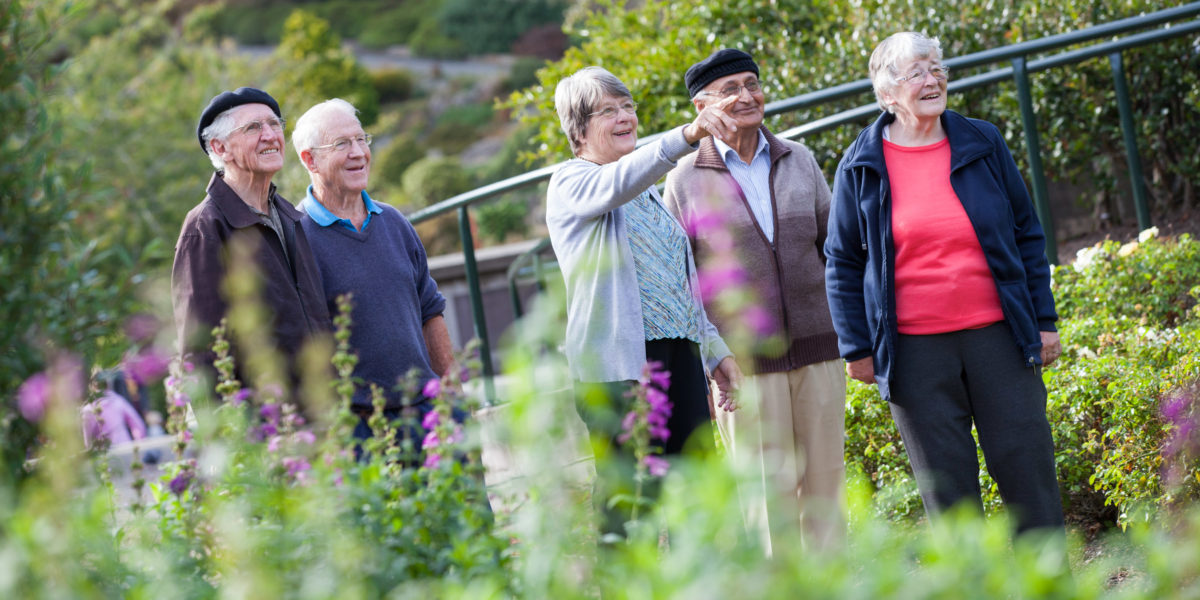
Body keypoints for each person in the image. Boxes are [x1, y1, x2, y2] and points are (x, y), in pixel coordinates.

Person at [823, 32, 1064, 534]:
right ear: (887, 93)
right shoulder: (860, 164)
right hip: (914, 353)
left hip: (999, 336)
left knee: (1029, 473)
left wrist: (1043, 320)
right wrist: (856, 348)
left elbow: (1026, 231)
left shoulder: (982, 141)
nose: (932, 80)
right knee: (948, 493)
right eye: (915, 73)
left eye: (937, 68)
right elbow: (842, 260)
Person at [547, 66, 744, 536]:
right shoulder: (572, 182)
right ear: (578, 129)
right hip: (619, 370)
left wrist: (716, 352)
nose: (626, 118)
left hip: (679, 357)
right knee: (631, 507)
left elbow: (676, 283)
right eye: (609, 110)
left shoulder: (647, 194)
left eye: (629, 107)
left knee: (694, 497)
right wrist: (686, 135)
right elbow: (616, 183)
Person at [663, 48, 846, 553]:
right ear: (702, 108)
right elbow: (681, 285)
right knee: (768, 505)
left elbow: (835, 250)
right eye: (730, 90)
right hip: (742, 370)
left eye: (752, 83)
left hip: (819, 353)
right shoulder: (683, 182)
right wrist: (710, 358)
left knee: (828, 493)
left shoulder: (800, 159)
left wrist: (850, 331)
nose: (747, 96)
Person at [292, 98, 456, 450]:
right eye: (341, 144)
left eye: (361, 140)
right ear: (309, 159)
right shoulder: (296, 239)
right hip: (362, 430)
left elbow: (431, 311)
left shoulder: (394, 221)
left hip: (429, 415)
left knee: (468, 505)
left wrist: (453, 400)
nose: (358, 153)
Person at [173, 87, 332, 397]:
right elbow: (201, 351)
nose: (271, 135)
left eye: (275, 124)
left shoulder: (289, 216)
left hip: (322, 418)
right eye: (253, 128)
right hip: (267, 429)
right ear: (220, 148)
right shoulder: (205, 227)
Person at [82, 371, 147, 449]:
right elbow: (138, 425)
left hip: (103, 455)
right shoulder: (118, 401)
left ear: (92, 387)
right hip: (125, 447)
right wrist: (139, 442)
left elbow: (86, 440)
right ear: (107, 384)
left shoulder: (88, 409)